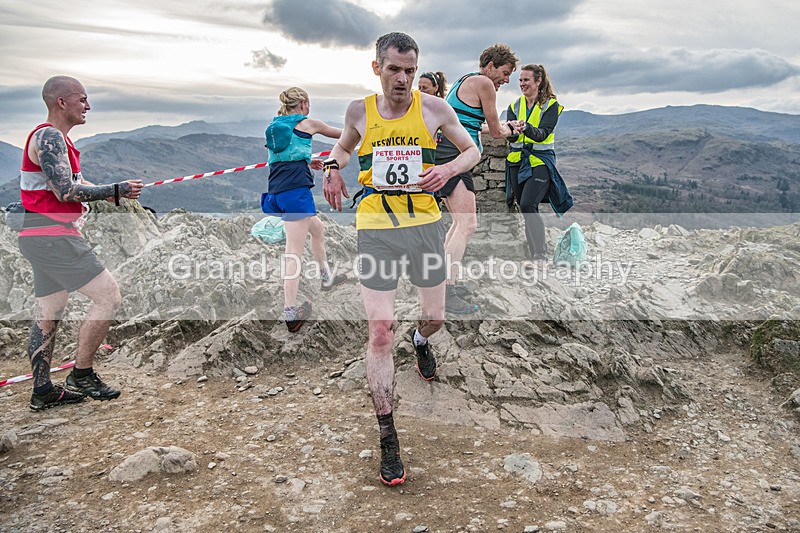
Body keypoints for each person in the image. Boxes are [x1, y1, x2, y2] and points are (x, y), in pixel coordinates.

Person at [323, 32, 479, 486]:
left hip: (424, 226)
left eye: (411, 70)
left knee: (435, 317)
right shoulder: (359, 110)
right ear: (377, 68)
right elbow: (344, 146)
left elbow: (473, 149)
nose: (404, 79)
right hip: (375, 226)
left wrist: (447, 169)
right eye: (395, 69)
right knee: (378, 330)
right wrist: (333, 168)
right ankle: (388, 437)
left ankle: (420, 338)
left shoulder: (434, 109)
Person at [18, 75, 143, 411]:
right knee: (109, 296)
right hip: (53, 236)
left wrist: (114, 193)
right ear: (62, 102)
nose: (88, 105)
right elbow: (66, 191)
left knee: (50, 310)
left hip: (37, 234)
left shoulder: (61, 142)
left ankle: (43, 390)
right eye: (82, 98)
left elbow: (77, 184)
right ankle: (82, 374)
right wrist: (114, 190)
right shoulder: (49, 137)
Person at [435, 44, 520, 314]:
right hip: (454, 154)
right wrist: (513, 130)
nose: (506, 80)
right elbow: (495, 131)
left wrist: (505, 128)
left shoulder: (465, 81)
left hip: (451, 152)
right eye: (505, 73)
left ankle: (449, 282)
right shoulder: (484, 83)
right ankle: (446, 293)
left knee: (459, 224)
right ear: (491, 65)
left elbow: (473, 125)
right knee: (468, 225)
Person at [262, 87, 347, 332]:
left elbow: (279, 157)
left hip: (278, 191)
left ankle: (326, 277)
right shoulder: (308, 123)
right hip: (295, 193)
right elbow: (345, 135)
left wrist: (306, 160)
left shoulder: (276, 126)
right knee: (293, 253)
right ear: (304, 103)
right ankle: (290, 312)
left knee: (317, 229)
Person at [505, 64, 573, 264]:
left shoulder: (551, 106)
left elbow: (543, 133)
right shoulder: (514, 106)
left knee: (528, 204)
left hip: (540, 161)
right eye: (520, 80)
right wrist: (511, 131)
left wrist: (525, 128)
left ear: (538, 81)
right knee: (525, 208)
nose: (522, 84)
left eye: (526, 80)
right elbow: (510, 139)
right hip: (517, 161)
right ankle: (533, 253)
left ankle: (540, 255)